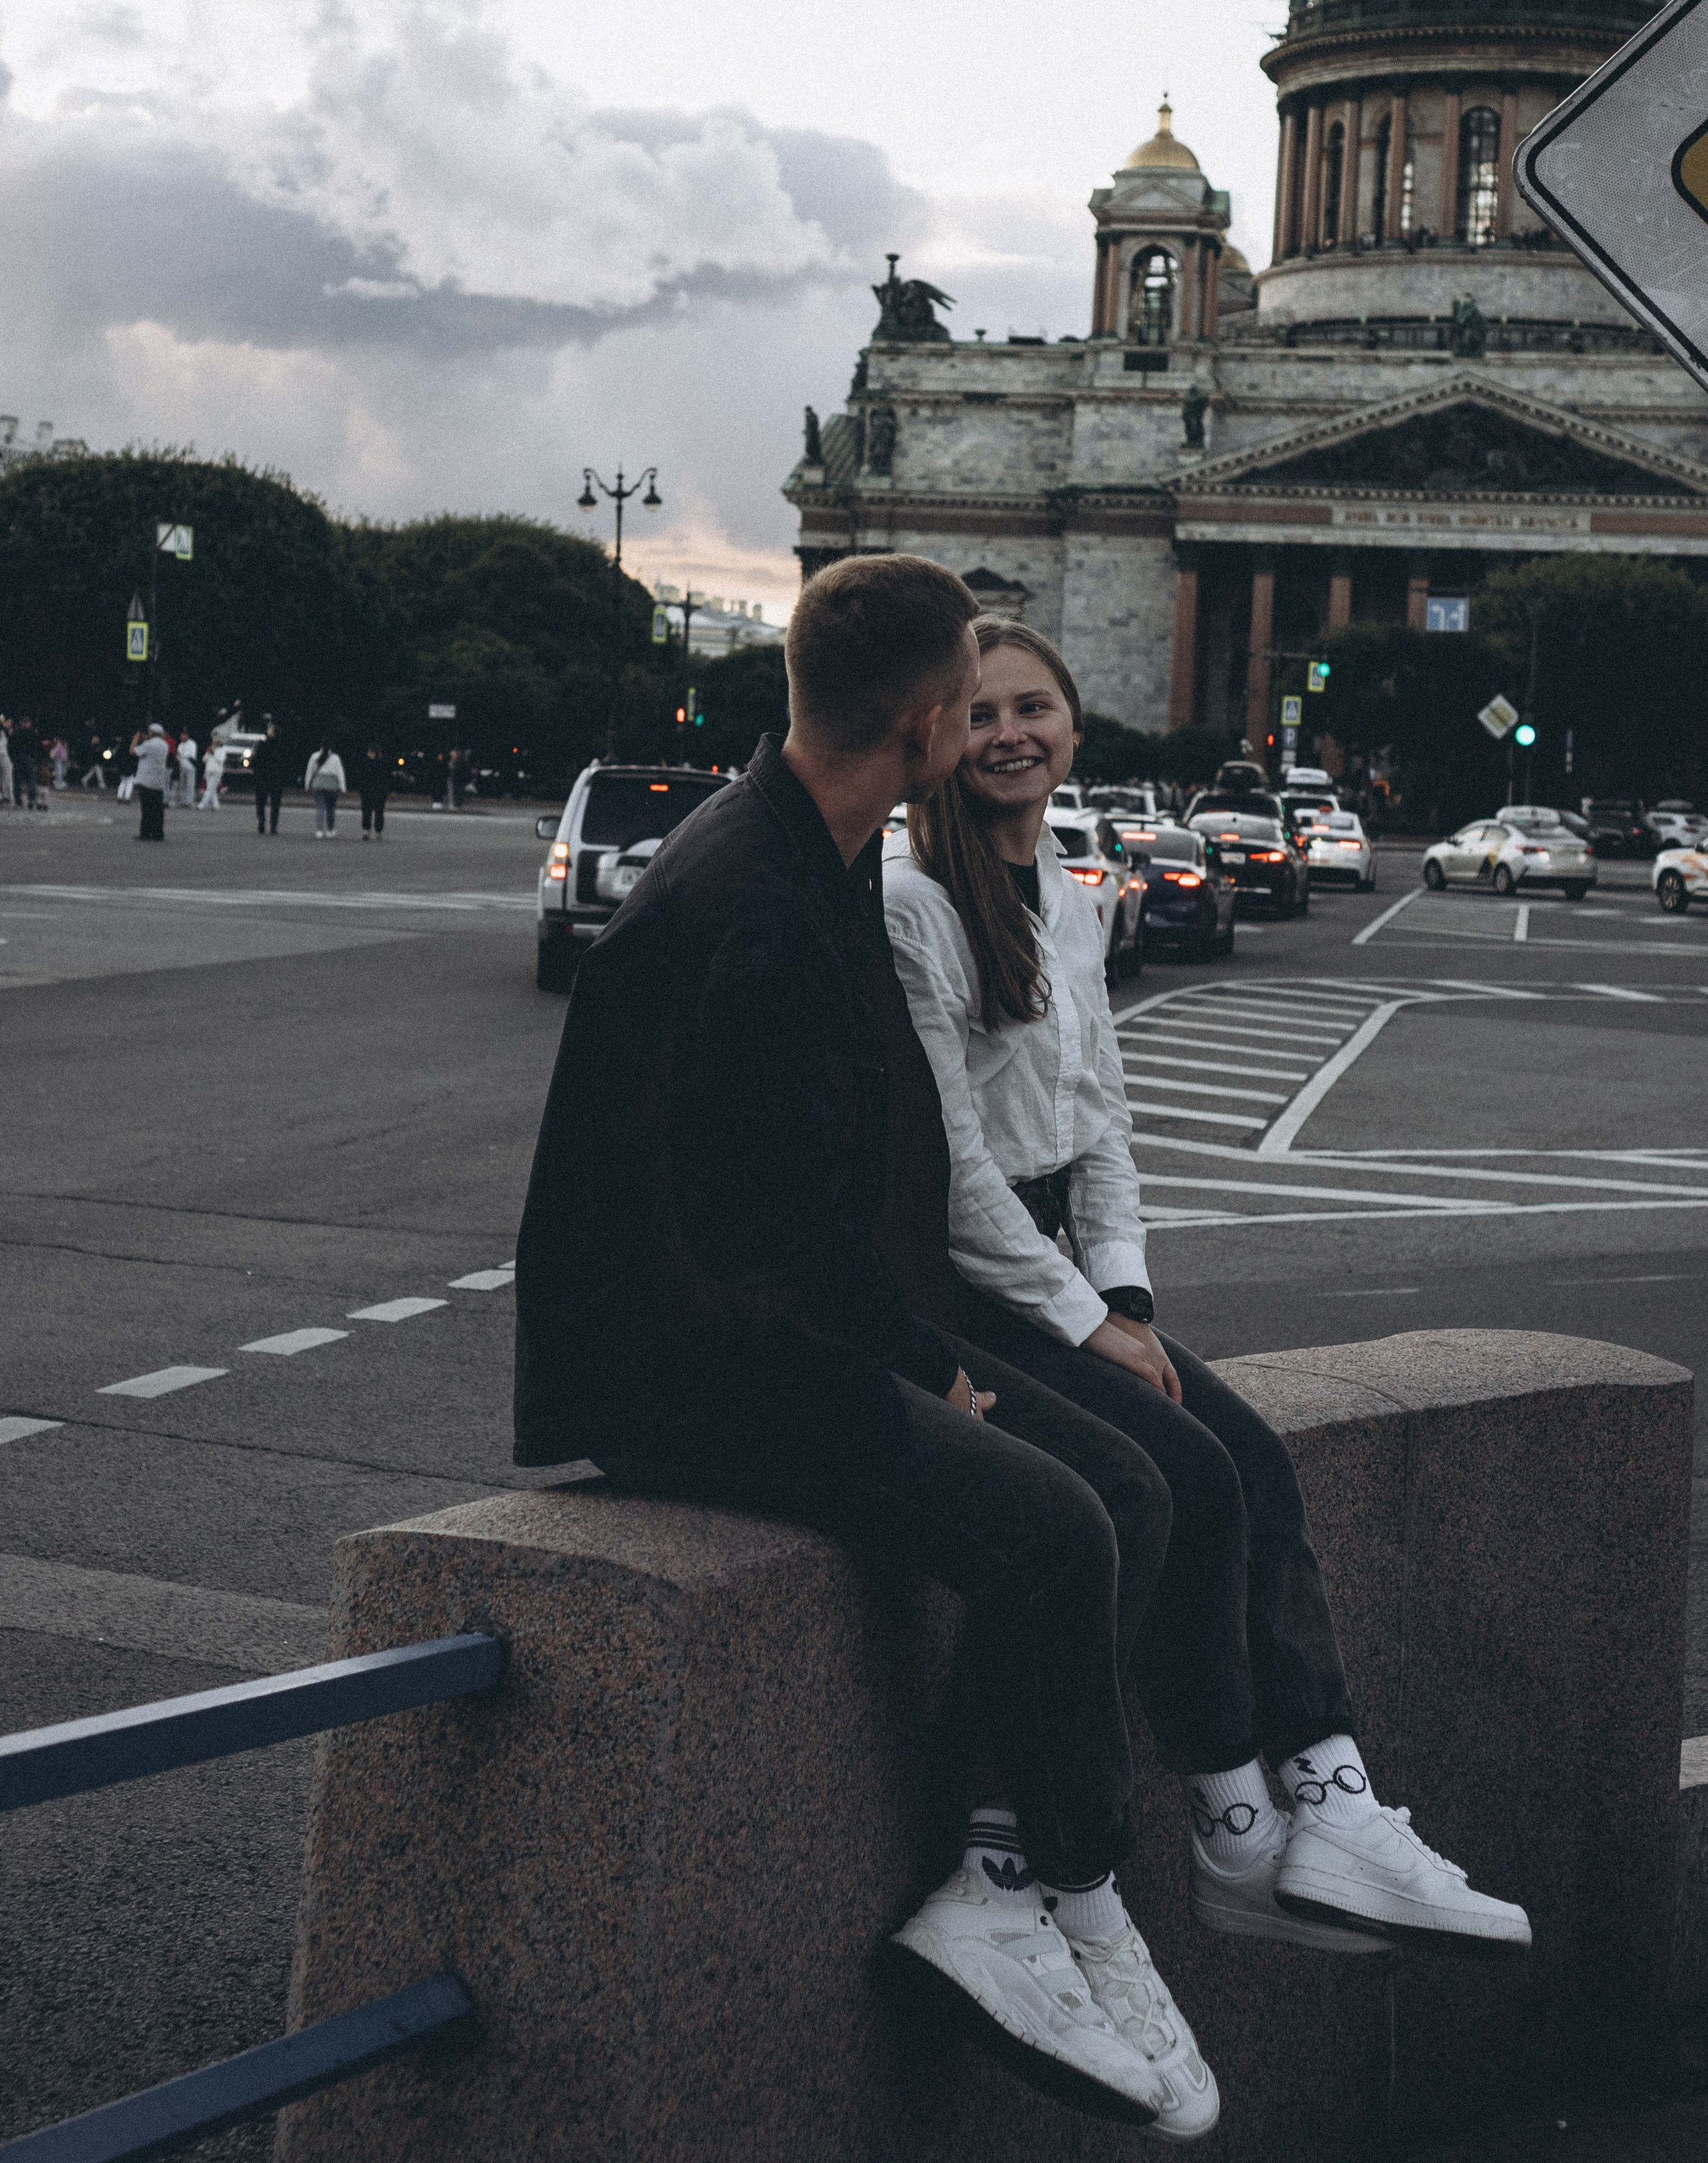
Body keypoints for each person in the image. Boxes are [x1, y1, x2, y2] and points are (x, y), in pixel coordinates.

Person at [514, 556, 1209, 2135]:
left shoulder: (808, 847)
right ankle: (1057, 1891)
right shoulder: (758, 902)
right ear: (919, 721)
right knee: (1053, 1527)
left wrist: (929, 1342)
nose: (977, 721)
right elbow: (769, 1230)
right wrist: (925, 1360)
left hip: (764, 1329)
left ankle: (1018, 1875)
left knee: (1122, 1485)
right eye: (969, 694)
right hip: (688, 1372)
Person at [887, 617, 1531, 1964]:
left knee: (1252, 1468)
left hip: (1062, 1270)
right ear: (940, 733)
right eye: (980, 712)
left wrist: (1123, 1295)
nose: (1009, 734)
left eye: (1032, 708)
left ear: (1073, 724)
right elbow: (952, 1175)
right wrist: (1084, 1324)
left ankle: (1329, 1798)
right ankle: (1235, 1829)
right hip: (965, 1282)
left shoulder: (1069, 893)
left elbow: (1100, 1127)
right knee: (1178, 1481)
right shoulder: (913, 900)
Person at [129, 722, 169, 842]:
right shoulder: (164, 745)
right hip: (158, 781)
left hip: (146, 780)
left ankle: (145, 833)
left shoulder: (148, 744)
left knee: (146, 809)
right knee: (157, 809)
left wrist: (136, 740)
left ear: (151, 733)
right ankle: (158, 833)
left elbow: (133, 751)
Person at [304, 737, 346, 838]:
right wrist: (343, 787)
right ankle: (330, 830)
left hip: (318, 785)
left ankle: (319, 830)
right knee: (331, 809)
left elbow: (310, 771)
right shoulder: (335, 758)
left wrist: (307, 784)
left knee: (320, 808)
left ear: (321, 746)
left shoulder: (314, 756)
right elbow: (340, 773)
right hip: (332, 786)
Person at [252, 724, 285, 835]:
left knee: (261, 802)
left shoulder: (263, 744)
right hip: (276, 779)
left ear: (272, 733)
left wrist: (256, 773)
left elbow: (256, 761)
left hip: (263, 778)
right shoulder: (281, 746)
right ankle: (273, 826)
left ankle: (262, 823)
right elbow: (285, 763)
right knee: (275, 804)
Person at [358, 744, 392, 841]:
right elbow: (387, 778)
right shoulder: (384, 764)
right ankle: (378, 832)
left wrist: (361, 789)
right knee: (379, 812)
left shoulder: (365, 763)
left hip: (367, 791)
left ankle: (366, 831)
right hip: (380, 791)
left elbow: (361, 778)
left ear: (372, 753)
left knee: (367, 811)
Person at [11, 714, 39, 810]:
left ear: (22, 723)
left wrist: (13, 758)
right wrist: (35, 758)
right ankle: (31, 800)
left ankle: (18, 802)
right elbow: (37, 747)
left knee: (17, 781)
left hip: (18, 758)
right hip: (29, 758)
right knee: (31, 780)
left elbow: (11, 746)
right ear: (29, 723)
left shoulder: (16, 732)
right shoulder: (33, 733)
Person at [198, 738, 228, 810]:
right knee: (212, 789)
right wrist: (208, 753)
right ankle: (216, 805)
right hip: (208, 771)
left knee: (210, 788)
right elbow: (204, 760)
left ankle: (202, 805)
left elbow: (221, 760)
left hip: (216, 772)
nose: (214, 743)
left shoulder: (222, 750)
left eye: (215, 742)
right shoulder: (210, 750)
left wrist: (213, 753)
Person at [175, 728, 198, 809]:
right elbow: (178, 754)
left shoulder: (192, 744)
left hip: (190, 767)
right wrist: (180, 756)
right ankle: (184, 801)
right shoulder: (181, 744)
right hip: (182, 766)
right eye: (181, 736)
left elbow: (191, 755)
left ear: (187, 736)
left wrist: (181, 755)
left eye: (183, 735)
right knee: (183, 785)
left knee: (190, 784)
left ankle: (189, 801)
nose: (182, 737)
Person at [0, 716, 11, 806]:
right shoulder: (1, 732)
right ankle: (5, 795)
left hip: (7, 757)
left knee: (7, 777)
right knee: (3, 777)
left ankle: (8, 796)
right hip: (0, 756)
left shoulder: (10, 733)